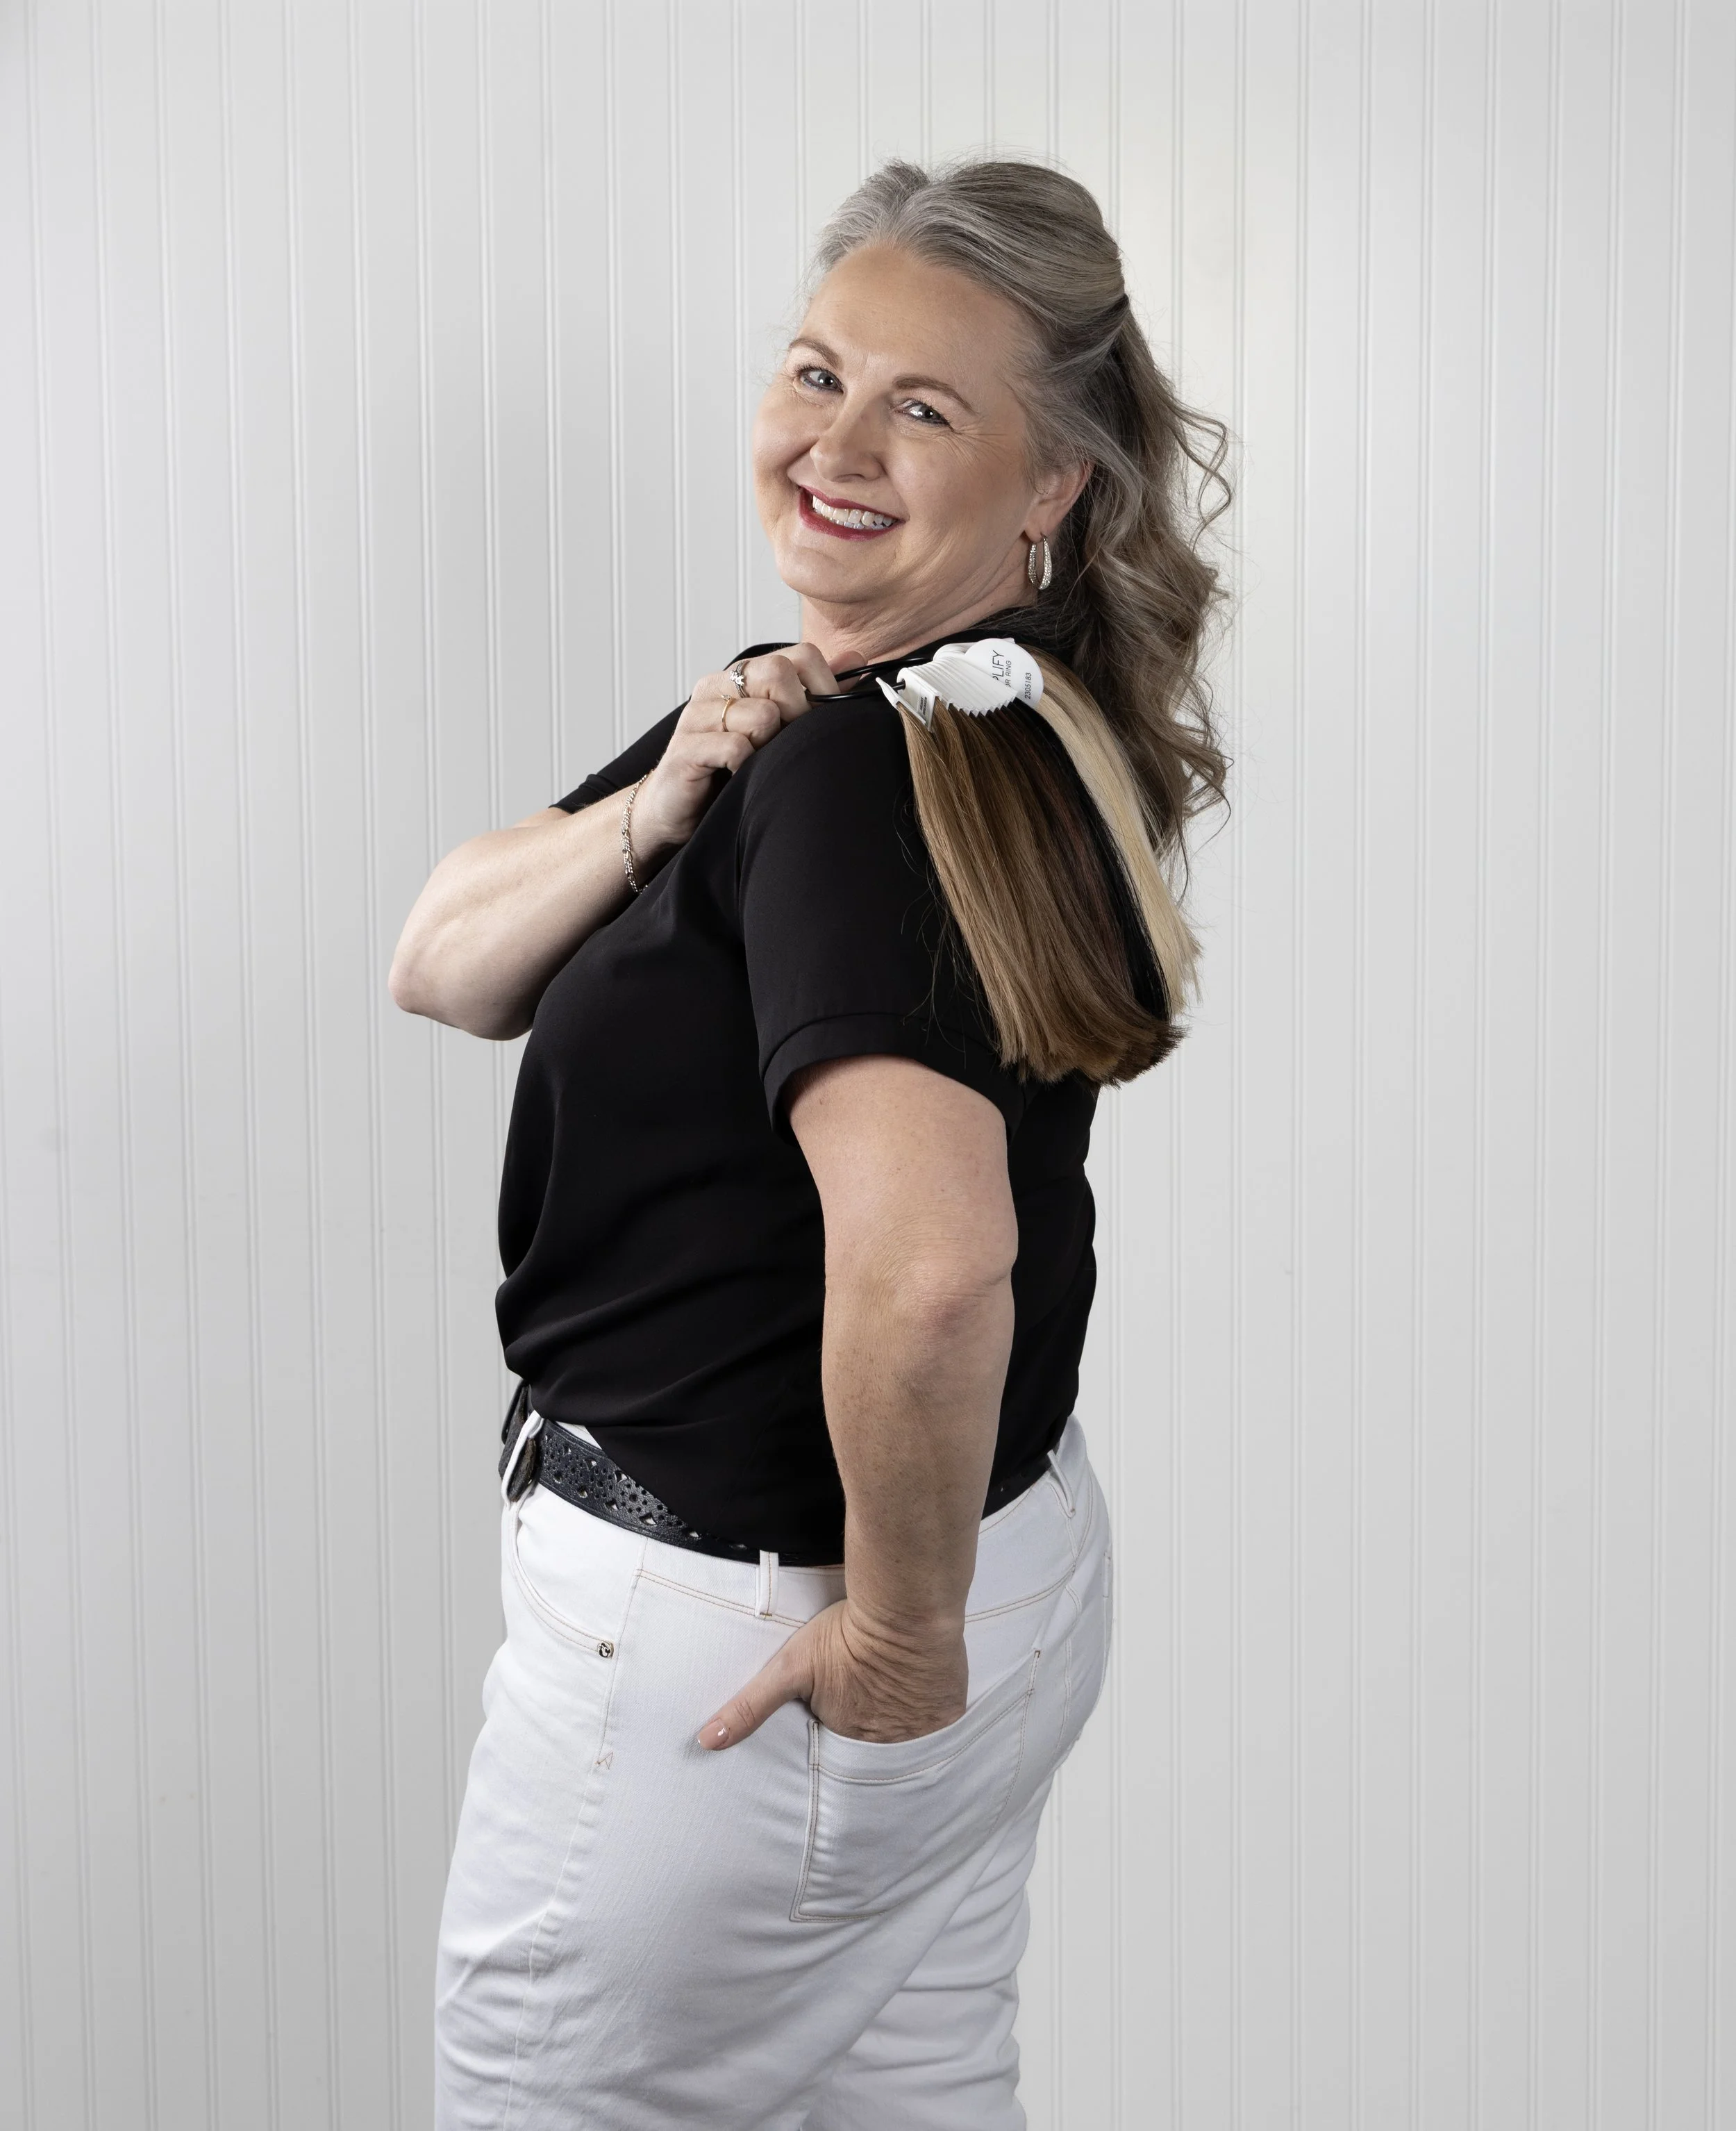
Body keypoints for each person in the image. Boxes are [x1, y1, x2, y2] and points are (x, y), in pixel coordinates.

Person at [392, 152, 1229, 2131]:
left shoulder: (857, 772)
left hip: (757, 1642)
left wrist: (897, 1634)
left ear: (1050, 490)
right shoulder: (925, 712)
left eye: (923, 408)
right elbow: (438, 961)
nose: (834, 443)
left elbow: (931, 1264)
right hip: (987, 1577)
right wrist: (656, 795)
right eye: (813, 372)